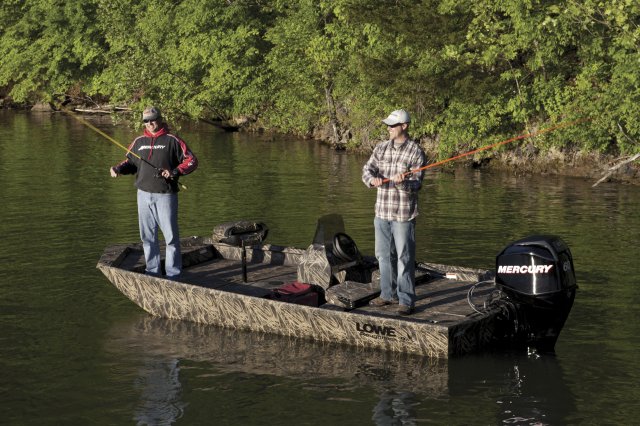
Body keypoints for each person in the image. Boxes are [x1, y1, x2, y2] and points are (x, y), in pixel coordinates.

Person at [110, 106, 198, 278]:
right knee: (148, 237)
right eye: (146, 121)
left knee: (170, 238)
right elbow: (130, 163)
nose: (150, 123)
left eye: (153, 119)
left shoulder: (172, 140)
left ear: (160, 119)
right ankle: (152, 271)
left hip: (165, 195)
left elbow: (192, 161)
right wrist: (118, 169)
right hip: (143, 195)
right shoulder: (138, 142)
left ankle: (173, 274)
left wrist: (174, 172)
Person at [362, 109, 426, 315]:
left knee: (404, 257)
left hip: (403, 214)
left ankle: (406, 299)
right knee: (382, 255)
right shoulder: (381, 148)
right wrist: (372, 180)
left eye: (392, 125)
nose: (388, 128)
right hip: (382, 212)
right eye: (388, 125)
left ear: (404, 126)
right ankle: (387, 295)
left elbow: (417, 184)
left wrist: (403, 183)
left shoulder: (415, 152)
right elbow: (367, 170)